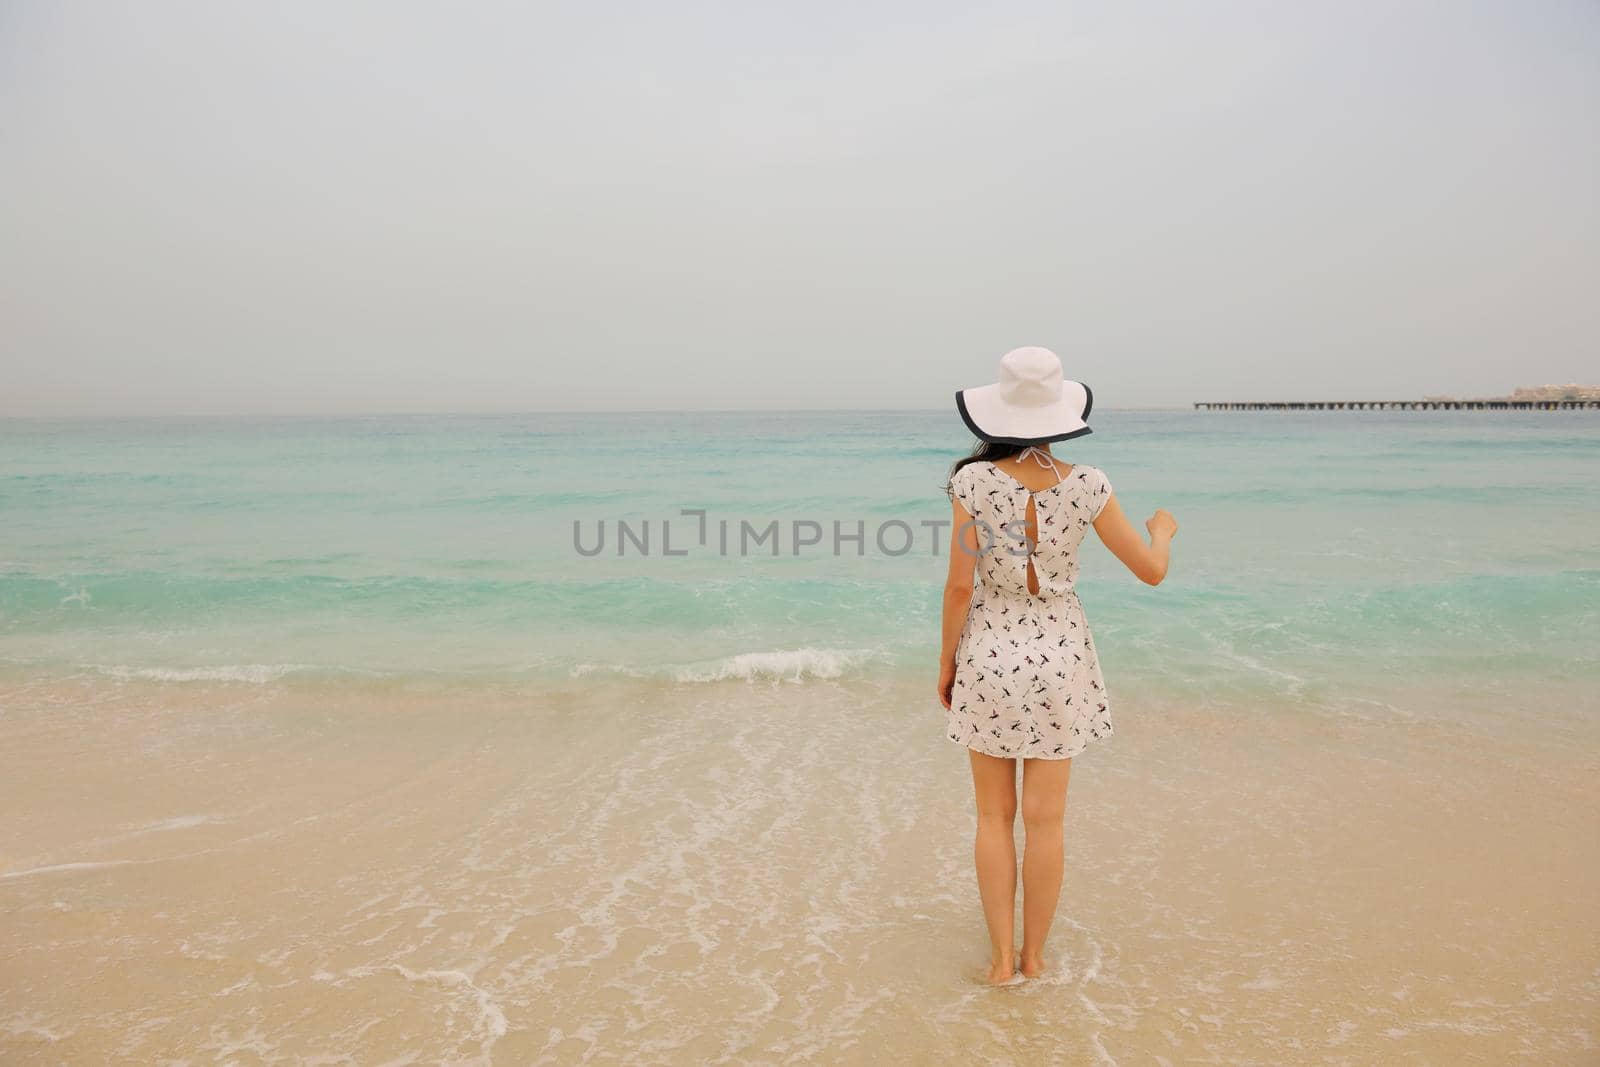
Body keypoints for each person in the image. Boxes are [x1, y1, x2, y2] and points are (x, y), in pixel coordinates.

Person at [938, 346, 1178, 985]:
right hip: (1061, 656)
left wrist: (947, 663)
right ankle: (1036, 959)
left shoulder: (970, 482)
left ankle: (998, 965)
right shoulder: (1091, 484)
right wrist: (1164, 530)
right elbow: (1151, 572)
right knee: (1047, 822)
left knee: (993, 818)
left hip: (988, 651)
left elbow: (960, 586)